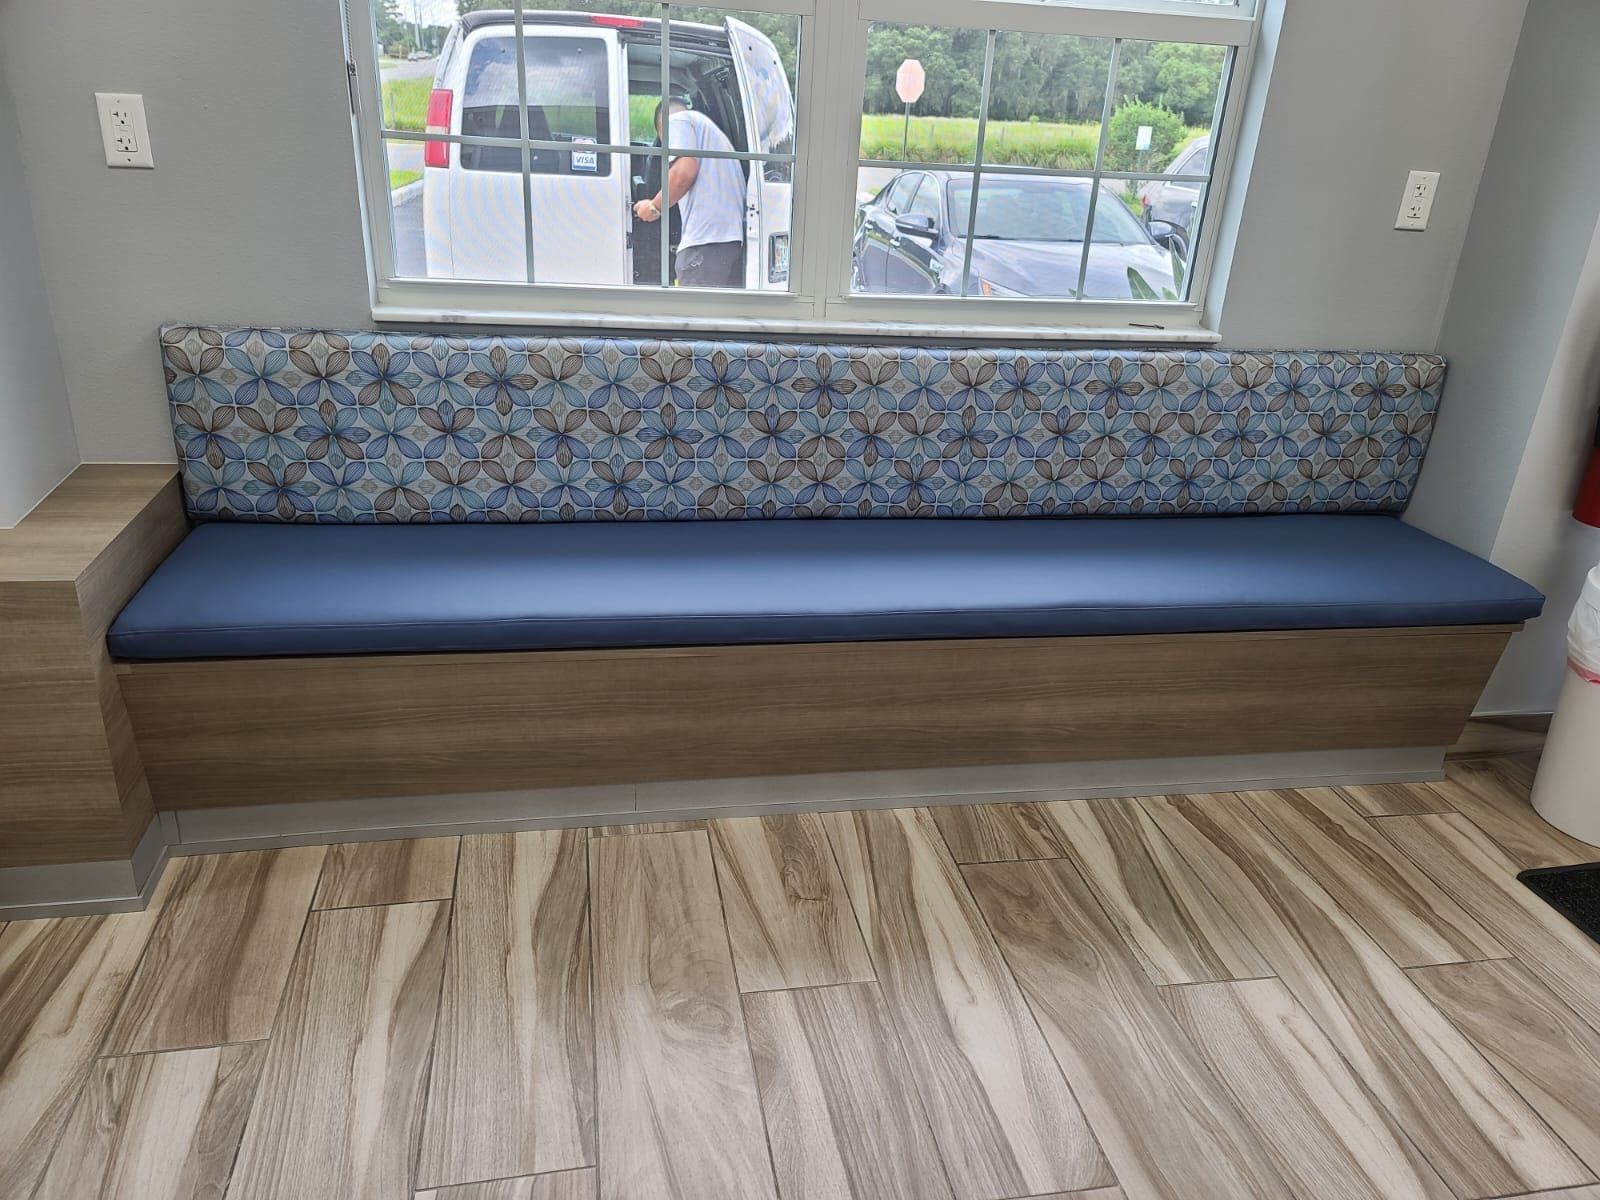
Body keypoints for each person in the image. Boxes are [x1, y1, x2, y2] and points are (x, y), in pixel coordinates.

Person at [633, 99, 746, 288]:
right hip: (724, 243)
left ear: (662, 130)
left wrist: (653, 207)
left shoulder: (677, 121)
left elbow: (683, 173)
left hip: (704, 245)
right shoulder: (709, 134)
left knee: (692, 315)